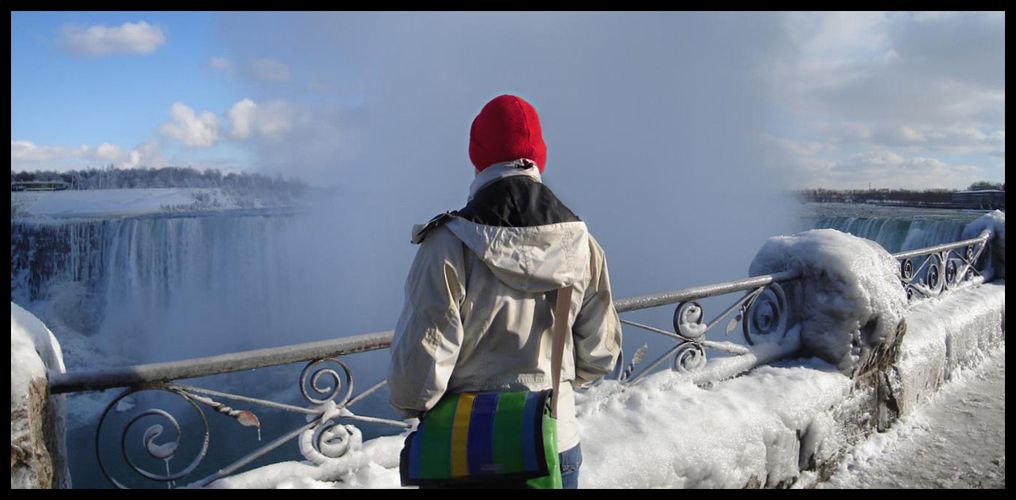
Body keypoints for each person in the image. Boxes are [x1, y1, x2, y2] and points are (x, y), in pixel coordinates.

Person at [387, 94, 622, 489]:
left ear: (477, 157)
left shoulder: (447, 244)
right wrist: (551, 385)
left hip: (464, 451)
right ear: (539, 156)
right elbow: (600, 356)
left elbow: (417, 381)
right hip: (552, 444)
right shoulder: (581, 243)